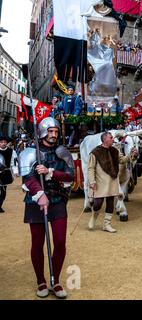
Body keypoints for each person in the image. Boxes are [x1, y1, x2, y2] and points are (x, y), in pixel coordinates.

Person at [19, 117, 74, 298]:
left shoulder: (63, 152)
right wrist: (40, 194)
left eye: (56, 132)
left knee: (59, 242)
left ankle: (55, 280)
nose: (53, 135)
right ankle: (41, 280)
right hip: (36, 202)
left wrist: (51, 172)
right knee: (37, 243)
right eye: (50, 131)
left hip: (58, 200)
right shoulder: (29, 152)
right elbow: (27, 177)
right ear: (43, 132)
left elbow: (70, 176)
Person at [87, 132, 138, 233]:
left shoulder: (115, 150)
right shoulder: (95, 152)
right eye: (111, 138)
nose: (113, 139)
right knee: (98, 204)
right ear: (105, 139)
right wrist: (92, 181)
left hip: (113, 181)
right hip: (100, 182)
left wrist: (131, 156)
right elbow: (90, 168)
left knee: (110, 203)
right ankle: (93, 217)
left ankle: (107, 224)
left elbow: (122, 160)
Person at [0, 136, 18, 212]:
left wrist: (16, 172)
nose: (3, 143)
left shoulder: (11, 152)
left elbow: (14, 163)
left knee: (3, 191)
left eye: (5, 142)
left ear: (7, 143)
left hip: (5, 173)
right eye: (1, 142)